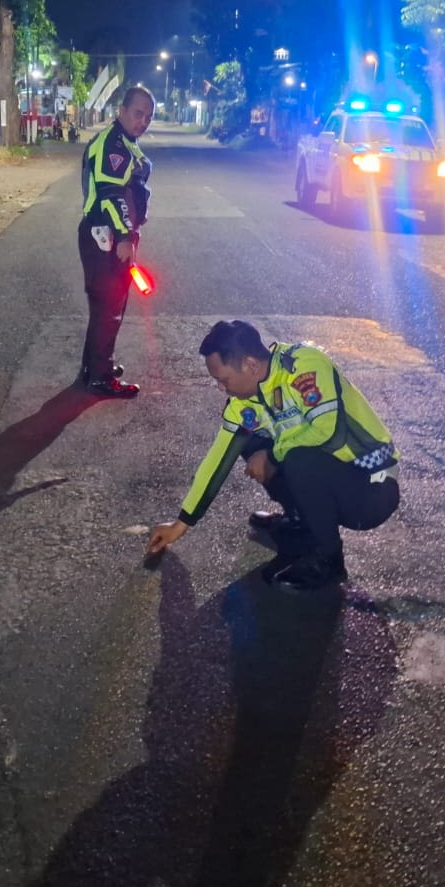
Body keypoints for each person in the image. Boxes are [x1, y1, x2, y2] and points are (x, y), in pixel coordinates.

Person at [145, 320, 401, 591]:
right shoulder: (243, 402)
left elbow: (330, 432)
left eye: (223, 379)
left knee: (295, 457)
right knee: (250, 442)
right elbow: (218, 459)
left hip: (371, 489)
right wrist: (181, 524)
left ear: (250, 365)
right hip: (334, 480)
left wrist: (273, 455)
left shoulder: (303, 365)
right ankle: (303, 523)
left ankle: (329, 560)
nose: (220, 388)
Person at [76, 86, 154, 397]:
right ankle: (100, 378)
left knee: (104, 308)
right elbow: (111, 194)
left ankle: (94, 367)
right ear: (121, 110)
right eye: (138, 114)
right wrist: (124, 236)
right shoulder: (114, 146)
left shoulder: (124, 142)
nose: (143, 121)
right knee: (110, 308)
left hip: (105, 235)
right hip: (105, 235)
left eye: (148, 117)